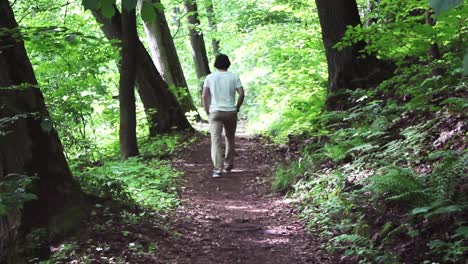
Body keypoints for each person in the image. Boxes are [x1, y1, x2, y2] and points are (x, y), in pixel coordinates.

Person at [203, 54, 245, 178]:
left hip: (215, 111)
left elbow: (204, 96)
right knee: (230, 138)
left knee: (215, 140)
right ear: (228, 64)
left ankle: (217, 169)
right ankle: (229, 164)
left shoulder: (210, 77)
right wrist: (237, 107)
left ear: (216, 64)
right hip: (230, 111)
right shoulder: (234, 77)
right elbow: (241, 94)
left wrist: (207, 110)